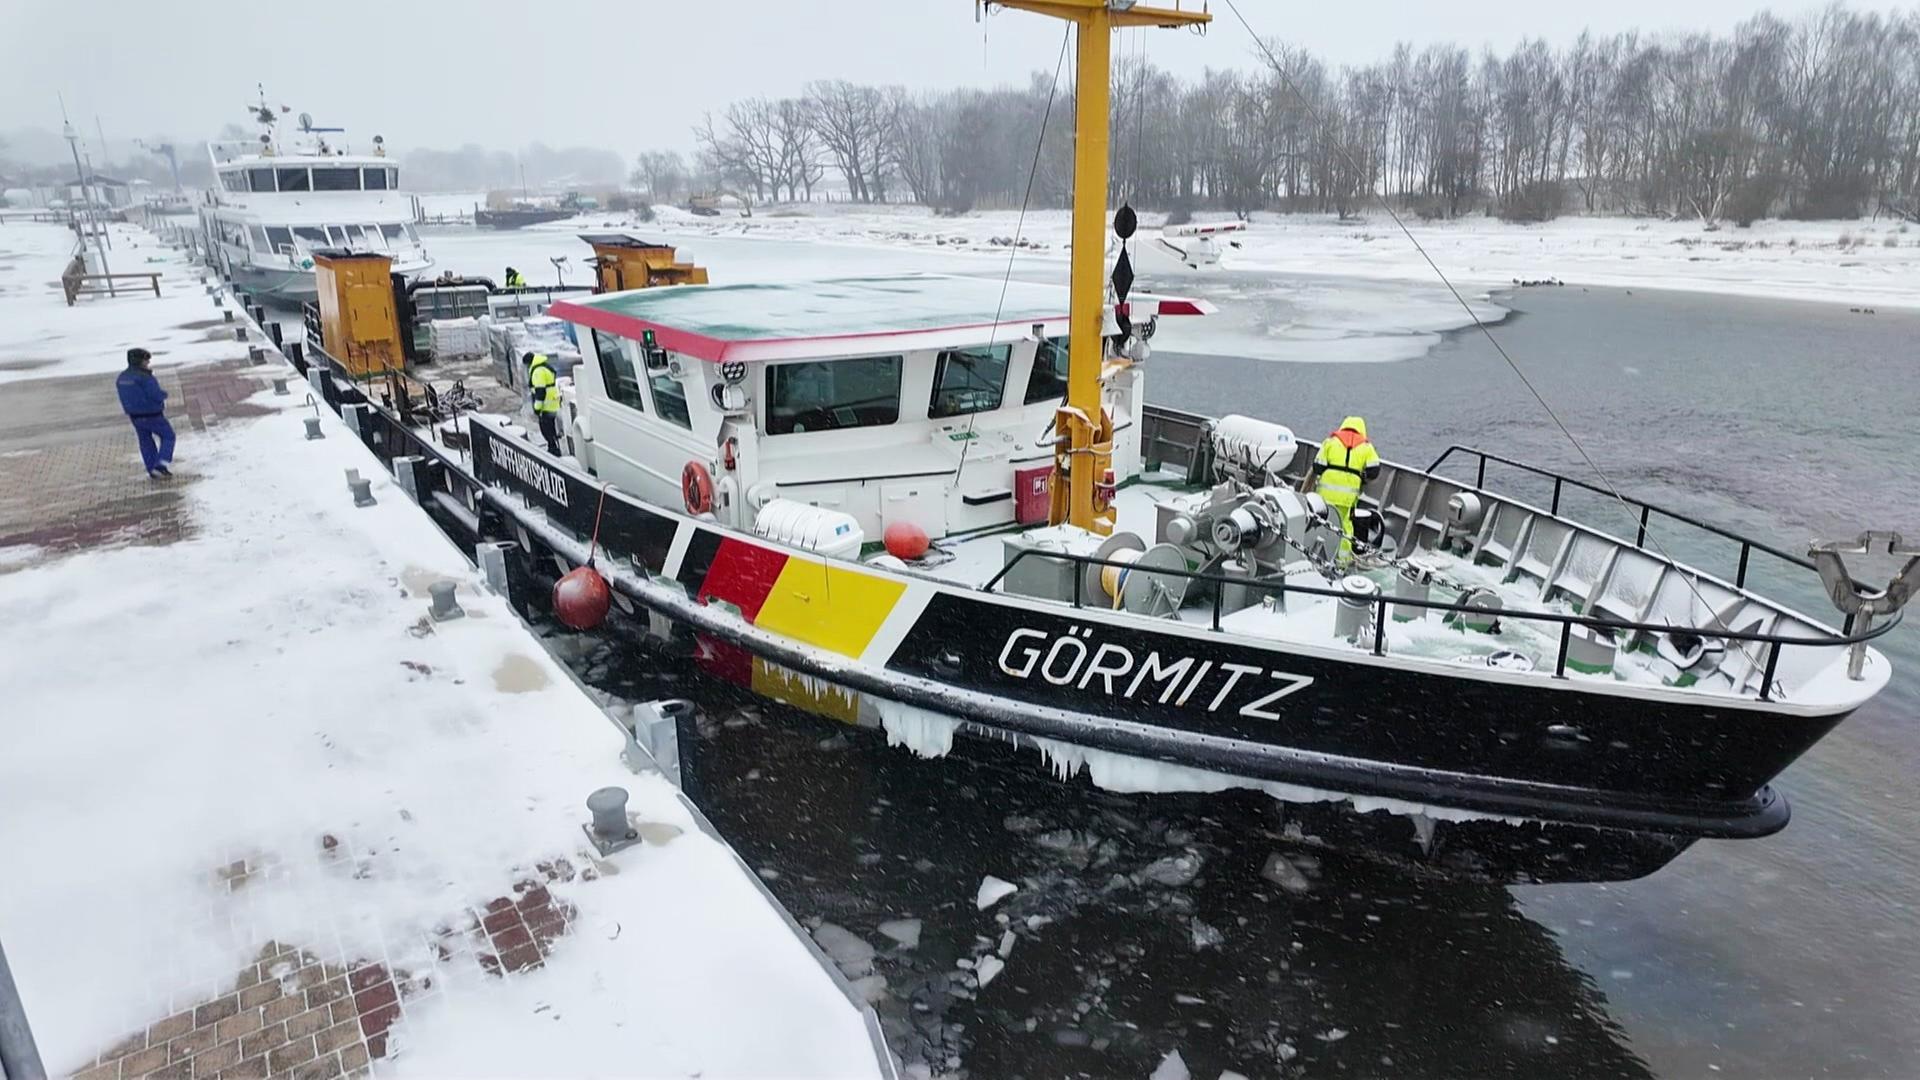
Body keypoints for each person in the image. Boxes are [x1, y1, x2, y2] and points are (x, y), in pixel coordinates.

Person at [1304, 415, 1380, 561]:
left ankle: (1314, 556)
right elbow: (1374, 470)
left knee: (1320, 523)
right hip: (1347, 497)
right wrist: (1361, 476)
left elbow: (1318, 466)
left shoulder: (1330, 442)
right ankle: (1342, 562)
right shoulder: (1366, 446)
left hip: (1325, 494)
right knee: (1345, 527)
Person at [116, 348, 176, 479]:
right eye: (146, 359)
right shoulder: (145, 377)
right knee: (168, 436)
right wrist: (164, 395)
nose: (148, 362)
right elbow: (155, 394)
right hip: (152, 414)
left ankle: (151, 468)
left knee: (145, 441)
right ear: (139, 361)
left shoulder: (122, 377)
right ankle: (161, 465)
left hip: (135, 416)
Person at [525, 352, 562, 454]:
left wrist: (537, 408)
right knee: (551, 427)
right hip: (552, 403)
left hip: (546, 405)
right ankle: (554, 446)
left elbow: (540, 392)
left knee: (546, 429)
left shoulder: (538, 371)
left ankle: (554, 449)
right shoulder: (543, 366)